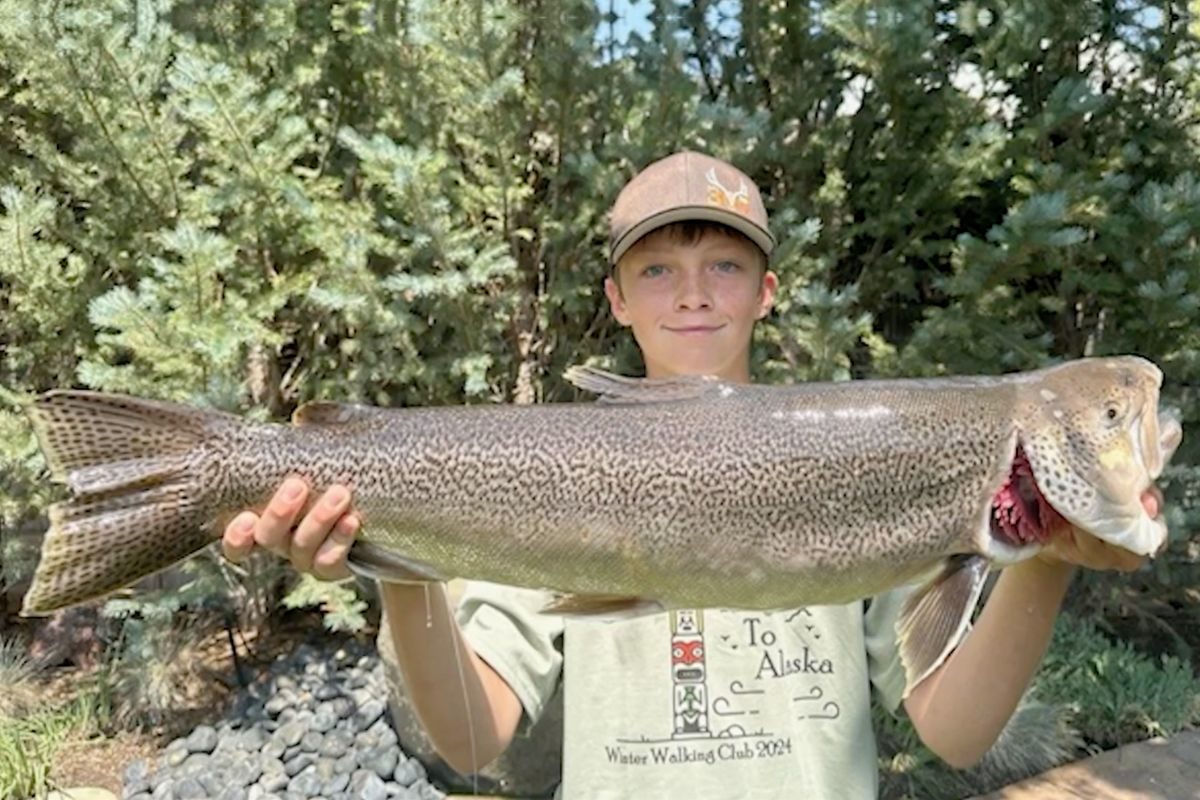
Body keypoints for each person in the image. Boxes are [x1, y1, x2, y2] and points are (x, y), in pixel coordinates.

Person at [221, 151, 1162, 798]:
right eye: (660, 269)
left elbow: (954, 737)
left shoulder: (870, 460)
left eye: (723, 262)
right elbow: (473, 741)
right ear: (617, 302)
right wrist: (392, 562)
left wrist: (1047, 558)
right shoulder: (562, 471)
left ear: (767, 291)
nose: (696, 290)